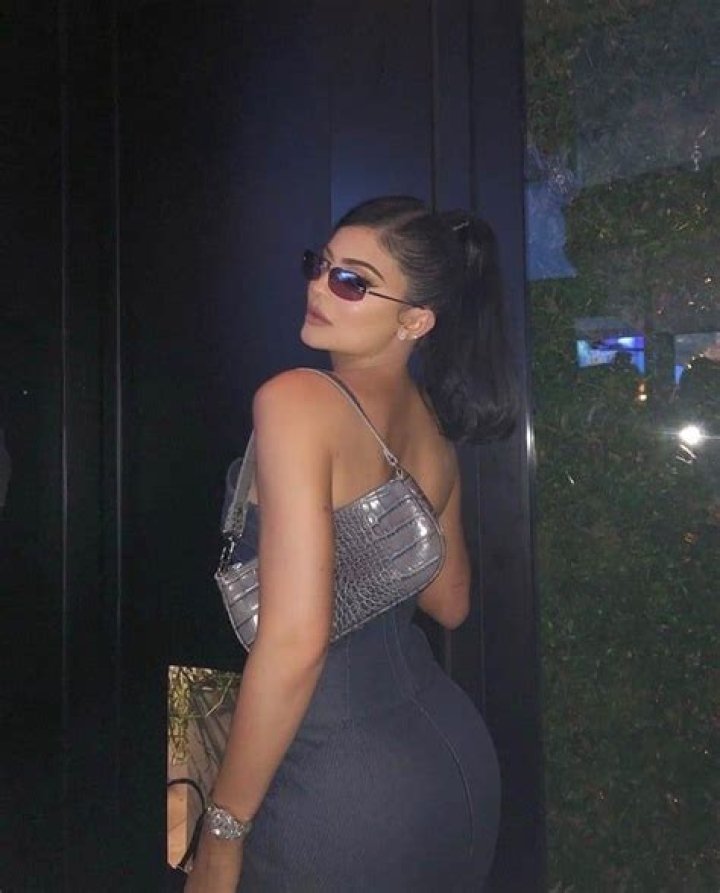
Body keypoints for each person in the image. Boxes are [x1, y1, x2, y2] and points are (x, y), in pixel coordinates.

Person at [186, 196, 516, 892]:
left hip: (334, 783)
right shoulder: (431, 425)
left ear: (415, 319)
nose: (318, 286)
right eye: (320, 265)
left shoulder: (297, 399)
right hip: (451, 765)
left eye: (351, 281)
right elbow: (450, 600)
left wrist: (221, 835)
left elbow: (294, 643)